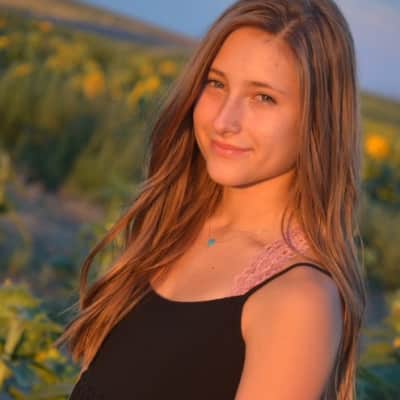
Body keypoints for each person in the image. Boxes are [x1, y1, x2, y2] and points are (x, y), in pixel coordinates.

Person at [56, 0, 368, 399]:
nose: (224, 121)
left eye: (263, 97)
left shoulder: (299, 300)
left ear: (318, 120)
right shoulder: (171, 228)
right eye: (216, 84)